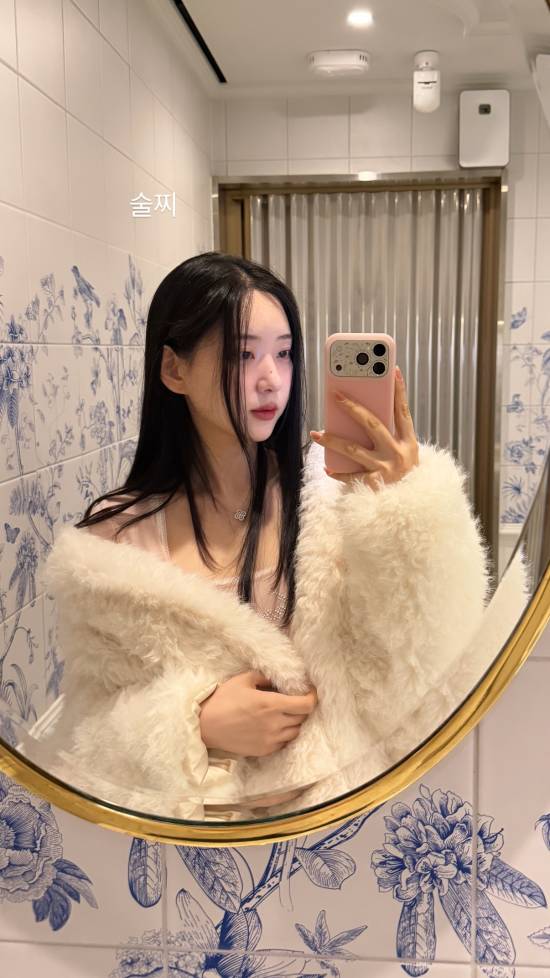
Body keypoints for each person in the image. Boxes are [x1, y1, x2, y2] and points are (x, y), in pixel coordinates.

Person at [40, 252, 506, 821]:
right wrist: (191, 723)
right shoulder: (114, 544)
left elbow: (420, 668)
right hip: (197, 845)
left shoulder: (336, 503)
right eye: (243, 354)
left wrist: (404, 508)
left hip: (338, 821)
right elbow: (88, 733)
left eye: (283, 353)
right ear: (174, 370)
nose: (271, 379)